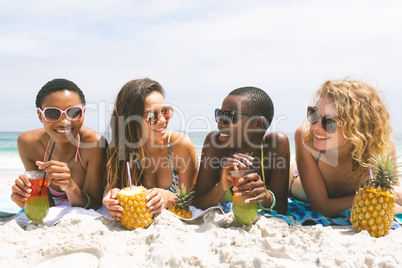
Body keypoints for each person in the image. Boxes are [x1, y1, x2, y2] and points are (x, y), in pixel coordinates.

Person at [290, 80, 402, 218]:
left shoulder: (382, 146)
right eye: (314, 114)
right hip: (297, 180)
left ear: (357, 128)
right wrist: (374, 197)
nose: (316, 126)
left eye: (329, 122)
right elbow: (322, 207)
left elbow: (395, 194)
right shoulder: (305, 138)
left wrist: (387, 196)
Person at [102, 78, 198, 220]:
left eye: (165, 111)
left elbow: (192, 199)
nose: (163, 120)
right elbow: (109, 190)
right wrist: (110, 199)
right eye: (152, 116)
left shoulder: (181, 145)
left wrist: (169, 197)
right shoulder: (120, 150)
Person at [11, 78, 107, 210]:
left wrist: (70, 187)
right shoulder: (28, 143)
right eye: (52, 113)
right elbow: (47, 205)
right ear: (40, 116)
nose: (64, 122)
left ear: (83, 114)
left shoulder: (94, 144)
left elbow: (94, 204)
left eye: (73, 112)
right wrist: (24, 201)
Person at [193, 86, 290, 215]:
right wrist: (220, 188)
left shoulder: (275, 144)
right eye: (219, 115)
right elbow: (196, 204)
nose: (220, 124)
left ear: (258, 124)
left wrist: (266, 196)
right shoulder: (215, 143)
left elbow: (282, 208)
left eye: (229, 116)